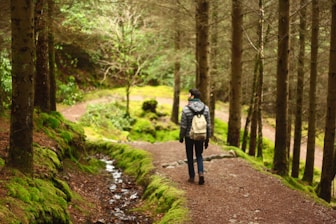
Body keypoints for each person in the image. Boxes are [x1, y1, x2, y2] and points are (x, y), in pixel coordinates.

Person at [179, 88, 211, 185]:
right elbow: (208, 125)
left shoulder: (186, 109)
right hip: (201, 136)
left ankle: (192, 176)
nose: (188, 95)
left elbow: (183, 126)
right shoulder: (206, 108)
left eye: (189, 94)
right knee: (199, 155)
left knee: (190, 155)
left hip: (189, 137)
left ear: (192, 96)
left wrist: (181, 136)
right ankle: (201, 173)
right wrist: (207, 138)